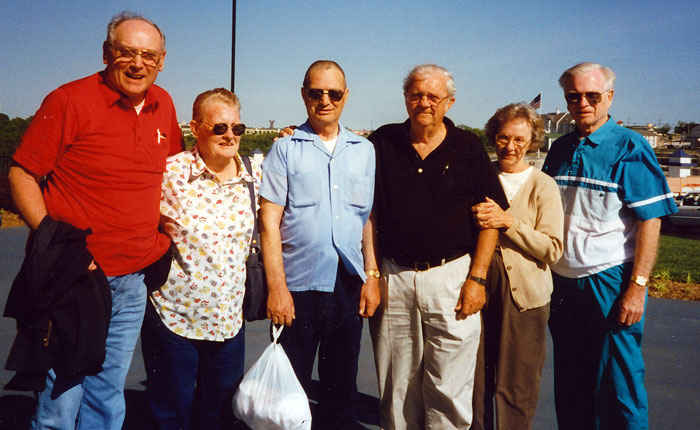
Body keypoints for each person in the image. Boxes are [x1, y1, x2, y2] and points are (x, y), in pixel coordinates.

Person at [8, 12, 182, 430]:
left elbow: (169, 171)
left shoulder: (164, 104)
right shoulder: (68, 100)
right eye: (126, 53)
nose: (138, 64)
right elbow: (22, 174)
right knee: (62, 395)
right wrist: (55, 241)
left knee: (107, 391)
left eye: (148, 55)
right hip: (76, 276)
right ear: (107, 54)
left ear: (161, 61)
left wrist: (164, 221)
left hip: (133, 277)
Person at [368, 64, 508, 430]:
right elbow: (366, 214)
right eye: (416, 95)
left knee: (449, 385)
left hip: (451, 278)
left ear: (449, 102)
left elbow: (490, 219)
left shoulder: (468, 148)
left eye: (433, 96)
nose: (424, 103)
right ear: (405, 98)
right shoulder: (382, 142)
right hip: (394, 277)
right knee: (397, 387)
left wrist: (477, 279)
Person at [542, 62, 678, 430]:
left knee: (620, 384)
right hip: (563, 285)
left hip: (609, 280)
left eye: (592, 96)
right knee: (571, 381)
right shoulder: (560, 149)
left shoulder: (629, 147)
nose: (582, 103)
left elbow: (651, 220)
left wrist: (637, 288)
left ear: (609, 97)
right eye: (574, 96)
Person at [259, 60, 379, 428]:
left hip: (347, 284)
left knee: (340, 390)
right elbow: (269, 223)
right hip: (297, 288)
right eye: (316, 92)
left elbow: (367, 220)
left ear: (346, 96)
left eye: (334, 93)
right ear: (304, 95)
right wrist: (277, 287)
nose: (325, 100)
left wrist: (372, 274)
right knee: (288, 394)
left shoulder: (364, 150)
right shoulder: (284, 150)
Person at [140, 88, 257, 430]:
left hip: (228, 322)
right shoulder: (170, 174)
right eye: (220, 128)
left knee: (218, 414)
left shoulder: (254, 176)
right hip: (176, 317)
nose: (230, 135)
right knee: (171, 413)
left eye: (238, 128)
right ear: (195, 128)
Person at [470, 103, 564, 430]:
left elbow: (552, 249)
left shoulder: (543, 186)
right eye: (503, 137)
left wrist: (509, 223)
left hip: (525, 298)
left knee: (517, 385)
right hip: (478, 288)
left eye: (519, 140)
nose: (510, 147)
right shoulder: (480, 177)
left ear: (533, 141)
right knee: (475, 378)